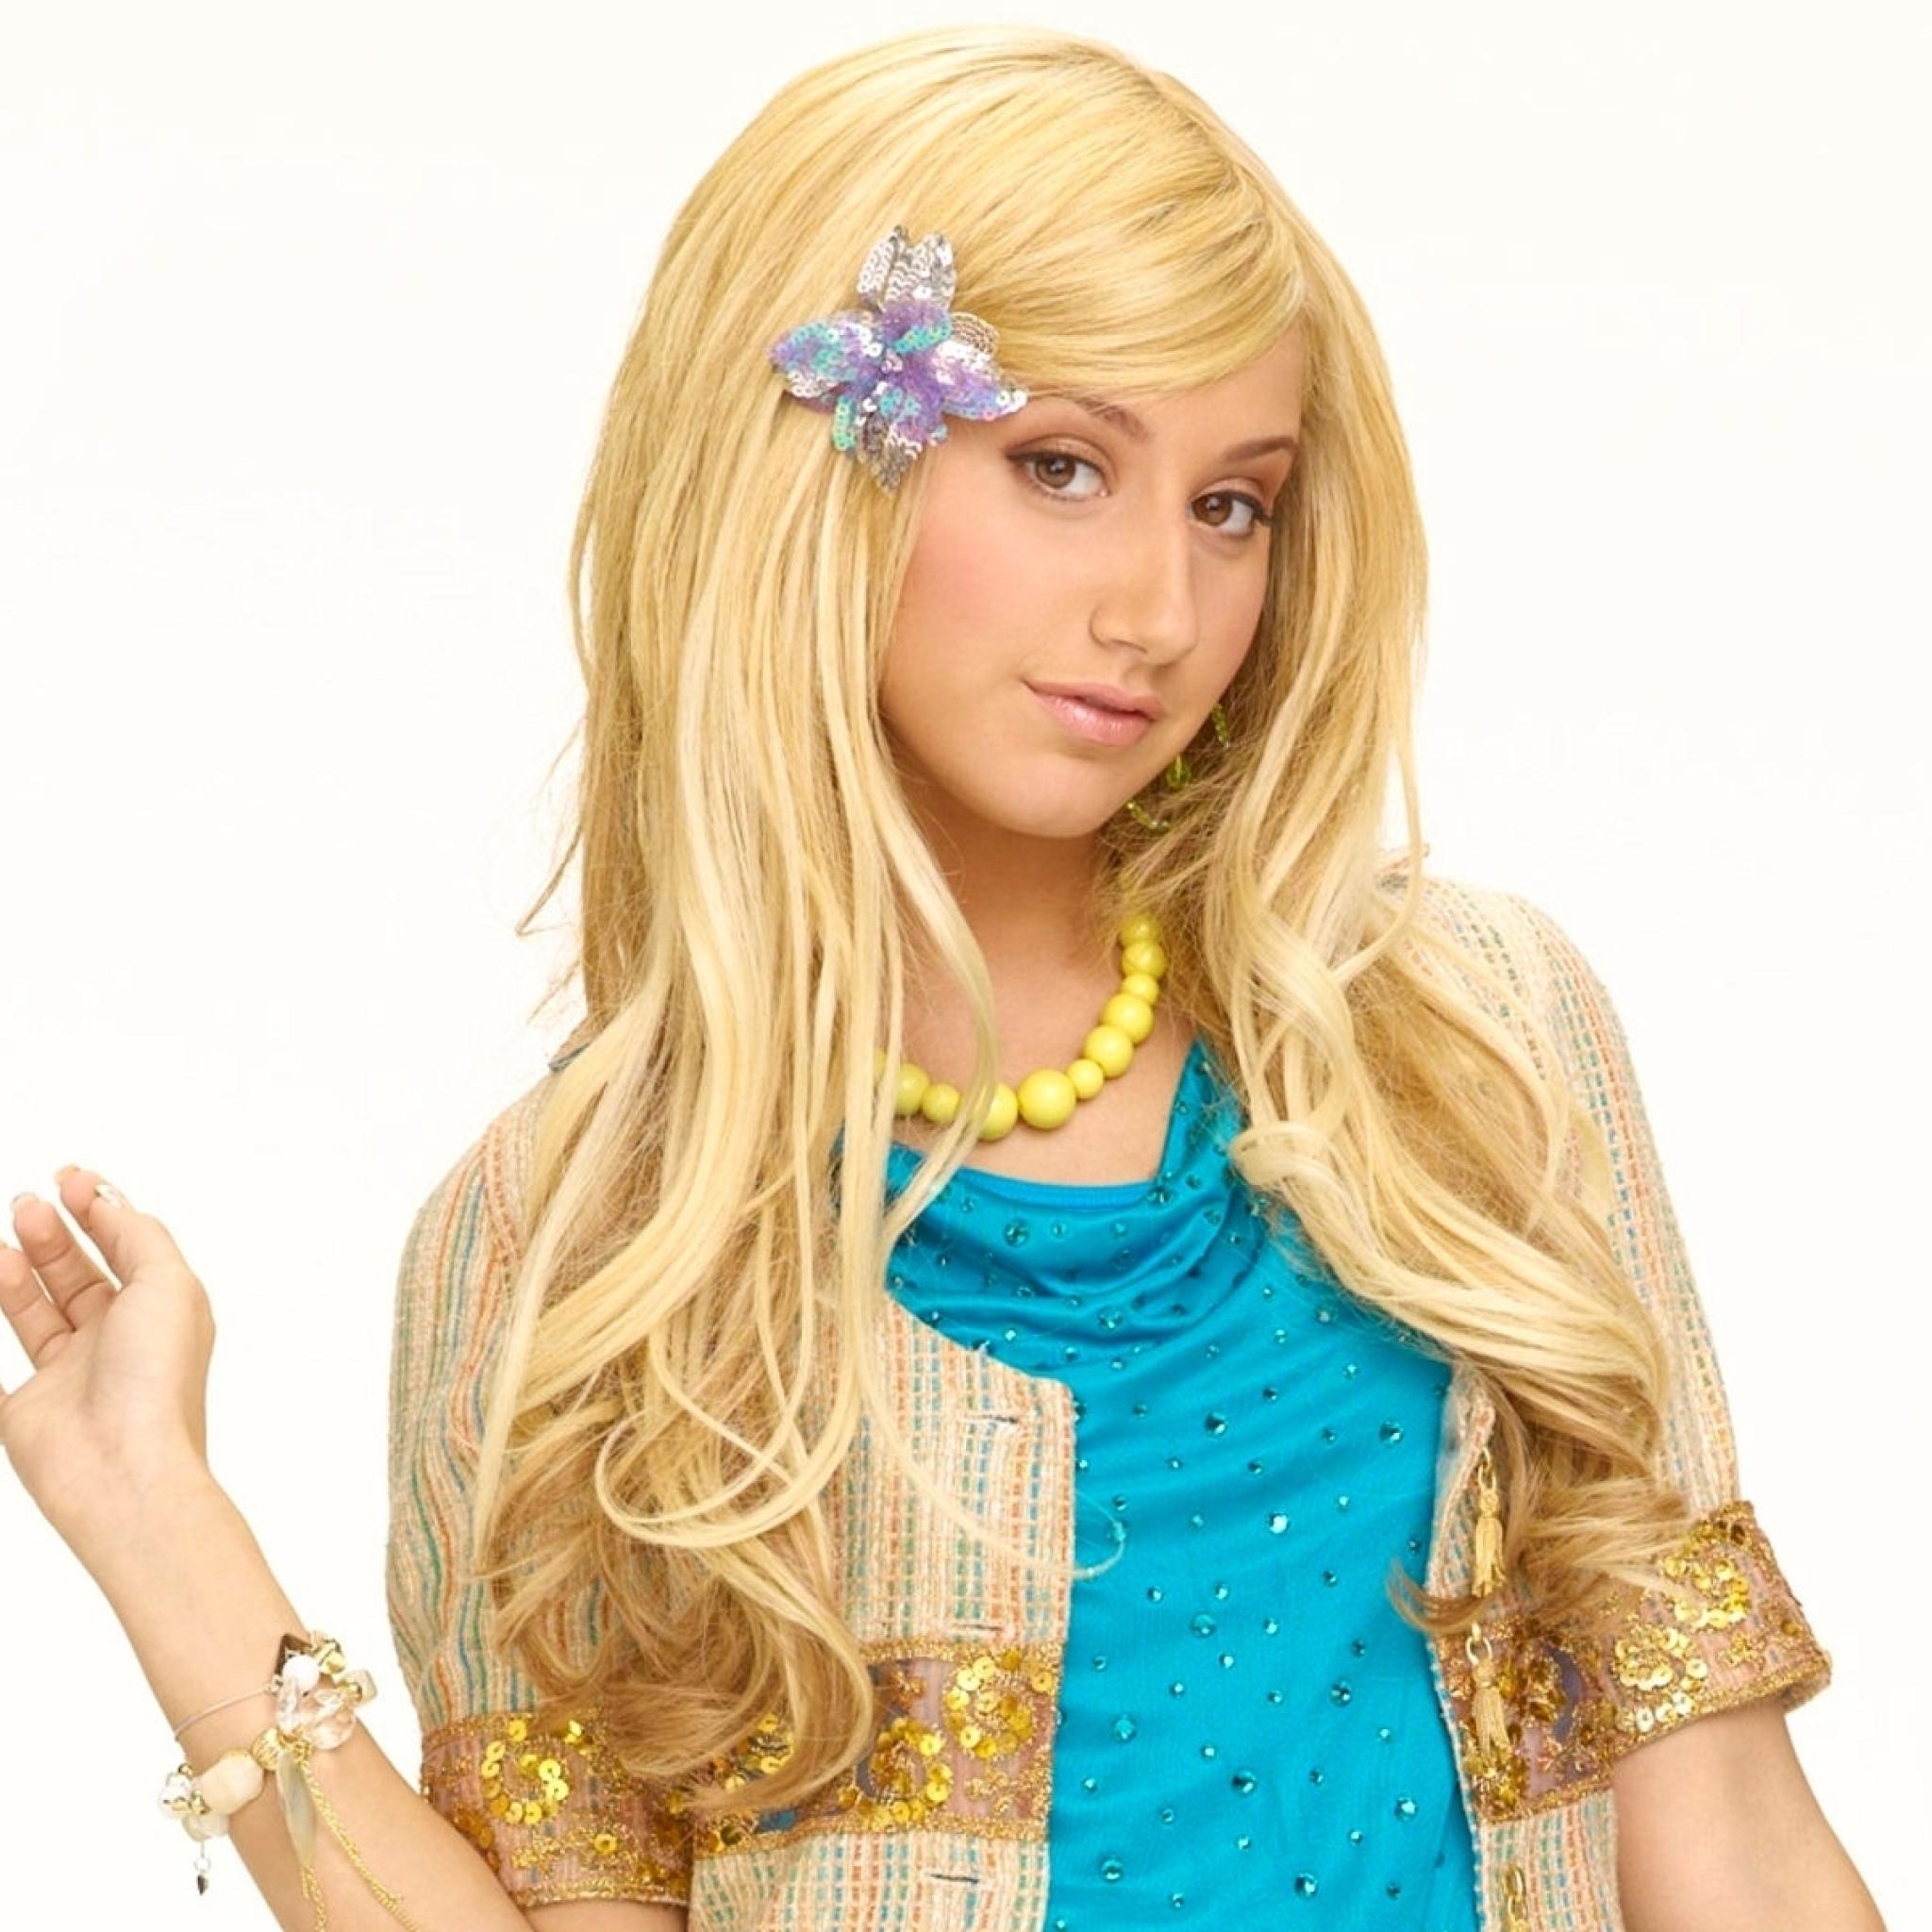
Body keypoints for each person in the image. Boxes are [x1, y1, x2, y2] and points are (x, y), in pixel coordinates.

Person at [0, 23, 1885, 1932]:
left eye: (1231, 503)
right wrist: (156, 1519)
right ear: (812, 474)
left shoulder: (1468, 1041)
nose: (1159, 609)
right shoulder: (574, 1242)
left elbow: (1733, 1840)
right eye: (1061, 466)